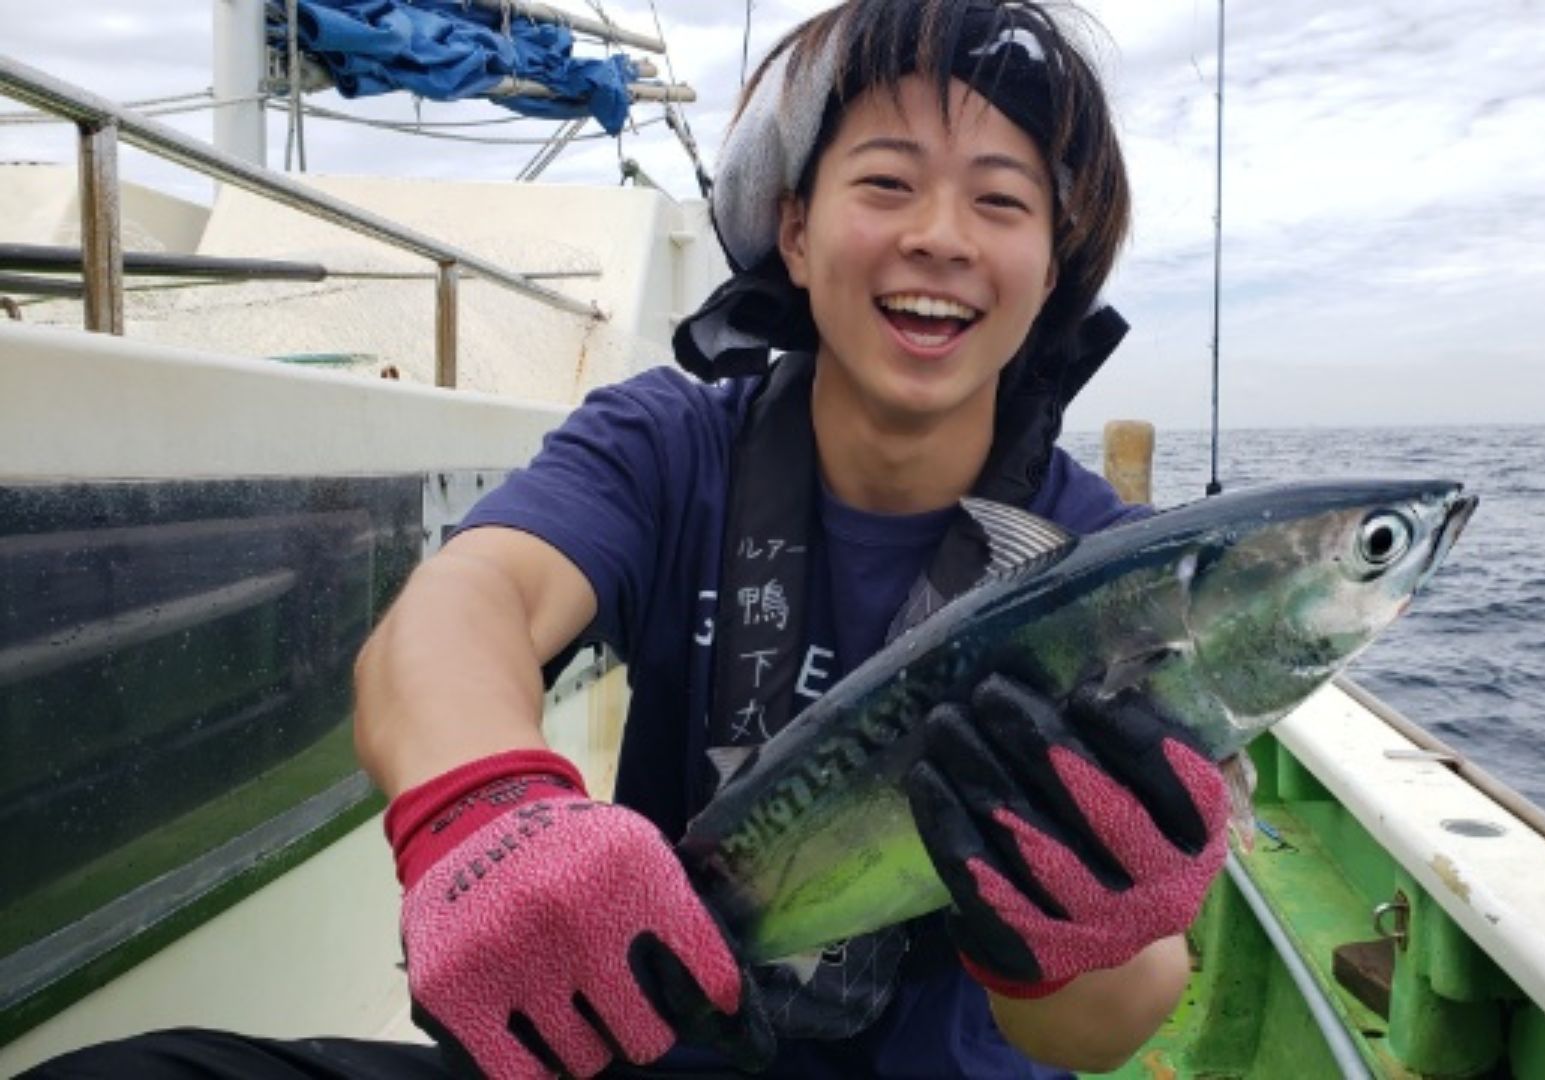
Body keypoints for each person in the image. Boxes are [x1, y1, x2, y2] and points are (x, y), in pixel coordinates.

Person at [28, 1, 1228, 1076]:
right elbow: (467, 603)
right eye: (887, 183)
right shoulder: (668, 445)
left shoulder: (1113, 570)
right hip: (640, 1039)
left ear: (1053, 264)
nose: (943, 236)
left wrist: (1088, 930)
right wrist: (487, 807)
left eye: (1002, 200)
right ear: (796, 233)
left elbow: (1095, 1029)